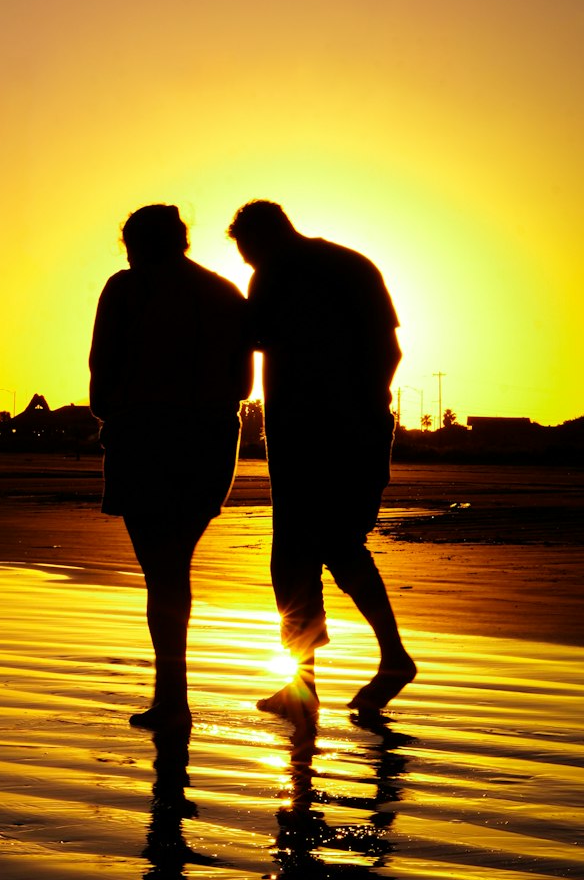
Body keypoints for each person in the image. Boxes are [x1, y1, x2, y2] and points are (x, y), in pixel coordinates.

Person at [227, 200, 416, 721]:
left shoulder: (272, 277)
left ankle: (388, 659)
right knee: (307, 553)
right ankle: (305, 684)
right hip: (349, 429)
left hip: (314, 435)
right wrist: (366, 406)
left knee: (316, 549)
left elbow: (247, 336)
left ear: (257, 241)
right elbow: (391, 351)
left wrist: (345, 408)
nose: (246, 265)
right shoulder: (352, 264)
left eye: (245, 254)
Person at [90, 204, 252, 731]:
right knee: (173, 565)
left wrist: (119, 408)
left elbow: (101, 375)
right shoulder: (224, 292)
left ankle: (173, 698)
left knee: (161, 573)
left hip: (146, 437)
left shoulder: (125, 289)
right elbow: (243, 386)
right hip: (209, 440)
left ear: (136, 244)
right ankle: (172, 696)